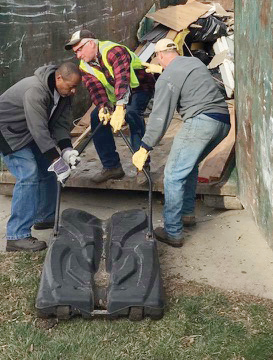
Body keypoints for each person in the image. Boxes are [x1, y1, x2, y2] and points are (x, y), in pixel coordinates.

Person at [132, 38, 230, 247]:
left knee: (173, 175)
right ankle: (187, 215)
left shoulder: (168, 76)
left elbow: (160, 116)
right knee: (189, 166)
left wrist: (145, 146)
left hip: (201, 122)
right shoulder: (194, 63)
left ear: (159, 56)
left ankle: (173, 232)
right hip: (222, 122)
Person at [0, 62, 82, 252]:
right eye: (71, 86)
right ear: (59, 78)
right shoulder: (35, 91)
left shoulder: (63, 93)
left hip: (28, 129)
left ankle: (45, 217)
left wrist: (66, 150)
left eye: (76, 87)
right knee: (29, 174)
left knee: (47, 170)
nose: (73, 91)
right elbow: (38, 129)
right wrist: (57, 161)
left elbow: (60, 124)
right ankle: (16, 235)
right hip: (7, 130)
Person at [65, 29, 155, 184]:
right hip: (118, 93)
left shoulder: (114, 51)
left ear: (91, 43)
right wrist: (103, 107)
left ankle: (142, 167)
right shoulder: (84, 66)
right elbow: (95, 89)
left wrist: (120, 108)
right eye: (75, 52)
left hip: (139, 87)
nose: (78, 55)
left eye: (79, 50)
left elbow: (123, 79)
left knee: (132, 114)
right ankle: (112, 166)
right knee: (96, 118)